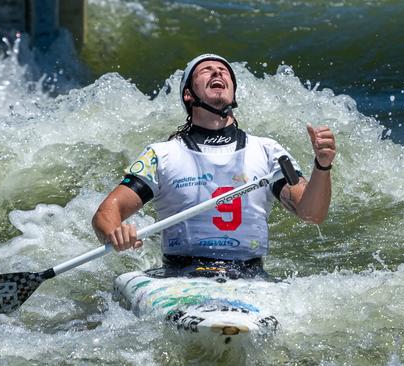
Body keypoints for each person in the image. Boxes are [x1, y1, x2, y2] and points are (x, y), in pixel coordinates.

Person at [92, 54, 336, 278]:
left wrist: (322, 166)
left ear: (233, 93)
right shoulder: (162, 154)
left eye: (223, 71)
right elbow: (106, 213)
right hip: (179, 277)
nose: (218, 73)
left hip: (249, 276)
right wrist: (115, 233)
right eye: (206, 71)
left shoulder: (268, 151)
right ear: (188, 94)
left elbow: (311, 213)